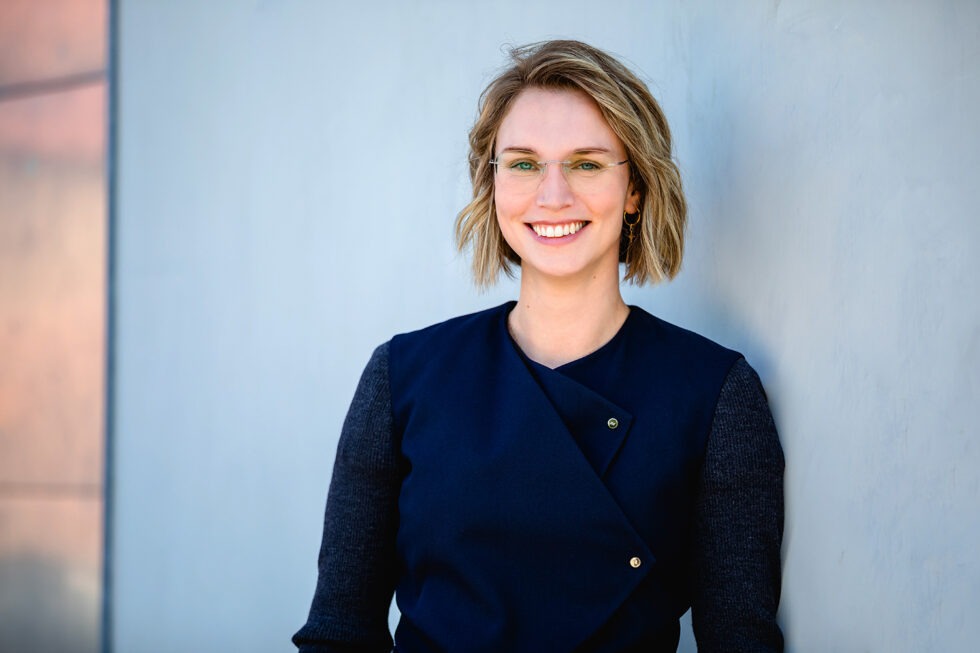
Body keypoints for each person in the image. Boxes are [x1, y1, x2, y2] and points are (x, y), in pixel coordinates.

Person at [293, 39, 784, 652]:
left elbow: (741, 644)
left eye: (587, 163)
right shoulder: (402, 377)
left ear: (635, 191)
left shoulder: (715, 396)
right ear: (492, 185)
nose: (553, 196)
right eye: (524, 164)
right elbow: (339, 634)